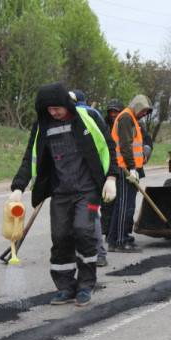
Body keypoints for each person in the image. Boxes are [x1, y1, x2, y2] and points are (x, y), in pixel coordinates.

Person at [9, 83, 118, 306]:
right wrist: (18, 187)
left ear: (66, 104)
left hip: (87, 190)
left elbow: (109, 146)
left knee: (83, 231)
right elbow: (30, 155)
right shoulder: (42, 126)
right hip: (60, 192)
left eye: (57, 107)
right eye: (49, 109)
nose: (54, 112)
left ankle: (86, 285)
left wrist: (111, 178)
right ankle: (66, 286)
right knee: (60, 237)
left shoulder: (87, 119)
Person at [107, 94, 153, 252]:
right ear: (137, 107)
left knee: (122, 205)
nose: (144, 115)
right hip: (124, 169)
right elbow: (125, 145)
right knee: (125, 206)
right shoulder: (126, 118)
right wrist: (132, 168)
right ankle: (121, 241)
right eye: (144, 111)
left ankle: (113, 240)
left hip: (128, 168)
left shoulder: (131, 118)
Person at [72, 89, 110, 267]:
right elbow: (106, 142)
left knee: (88, 215)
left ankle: (97, 253)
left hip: (83, 177)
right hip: (91, 177)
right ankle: (97, 253)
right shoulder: (93, 113)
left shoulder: (86, 114)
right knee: (92, 215)